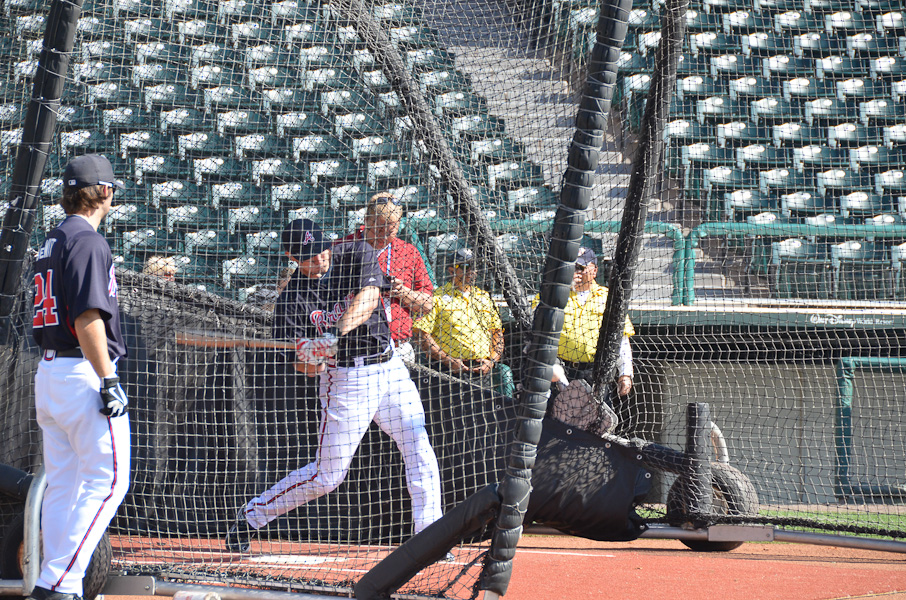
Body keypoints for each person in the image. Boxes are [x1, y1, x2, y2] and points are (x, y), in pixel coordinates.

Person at [226, 218, 443, 552]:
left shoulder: (355, 252)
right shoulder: (291, 302)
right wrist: (312, 355)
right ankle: (251, 517)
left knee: (418, 445)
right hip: (346, 379)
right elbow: (304, 369)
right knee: (327, 477)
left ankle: (429, 537)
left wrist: (334, 334)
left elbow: (370, 297)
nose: (320, 258)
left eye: (322, 249)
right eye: (309, 256)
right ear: (293, 257)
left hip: (389, 365)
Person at [30, 154, 130, 600]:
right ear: (104, 192)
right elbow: (89, 318)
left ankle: (47, 580)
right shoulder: (87, 241)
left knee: (64, 485)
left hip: (50, 373)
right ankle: (60, 584)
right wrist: (107, 378)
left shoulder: (50, 239)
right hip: (83, 371)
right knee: (109, 482)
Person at [342, 192, 433, 362]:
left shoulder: (408, 252)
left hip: (399, 346)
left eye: (390, 230)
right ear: (367, 220)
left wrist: (401, 291)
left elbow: (427, 305)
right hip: (354, 347)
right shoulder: (344, 247)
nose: (384, 236)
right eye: (379, 229)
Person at [534, 247, 634, 396]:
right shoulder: (552, 293)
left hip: (593, 373)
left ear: (594, 271)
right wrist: (562, 287)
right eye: (572, 267)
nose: (576, 271)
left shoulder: (608, 297)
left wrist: (625, 373)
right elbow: (534, 319)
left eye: (581, 267)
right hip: (558, 369)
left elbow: (621, 340)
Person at [412, 247, 510, 393]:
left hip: (481, 371)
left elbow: (497, 333)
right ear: (451, 271)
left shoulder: (484, 297)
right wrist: (448, 360)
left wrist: (492, 361)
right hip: (447, 372)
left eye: (474, 267)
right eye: (465, 266)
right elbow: (421, 334)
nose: (471, 271)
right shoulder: (436, 297)